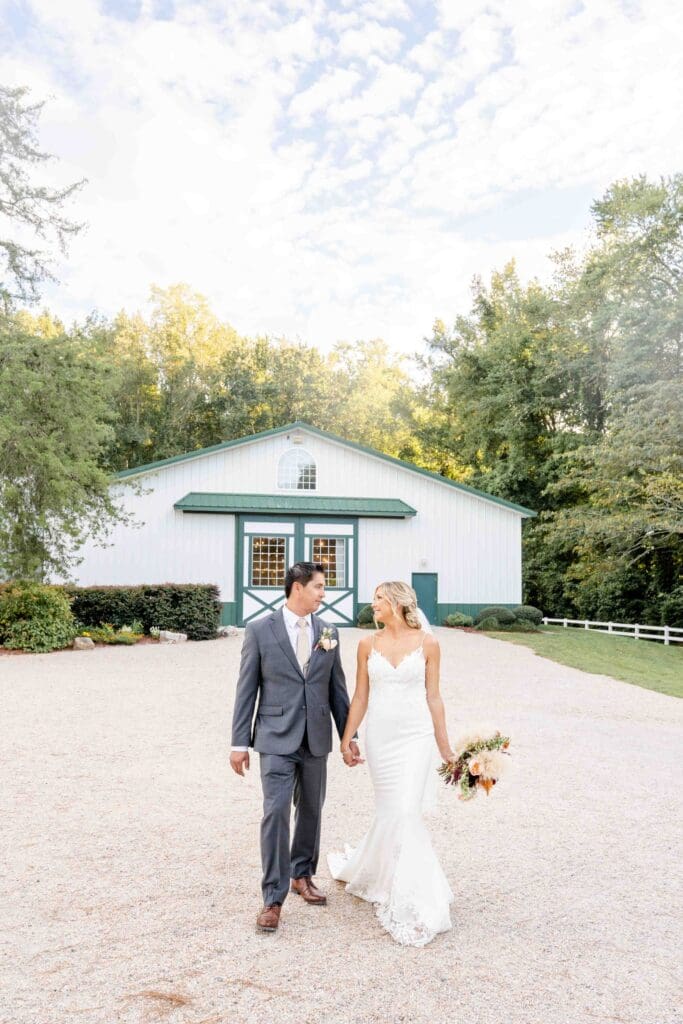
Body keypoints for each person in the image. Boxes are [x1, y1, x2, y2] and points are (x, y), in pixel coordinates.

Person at [230, 562, 361, 933]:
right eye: (319, 587)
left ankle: (302, 875)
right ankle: (273, 897)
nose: (323, 594)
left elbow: (338, 691)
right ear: (297, 588)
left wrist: (349, 737)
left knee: (312, 811)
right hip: (274, 737)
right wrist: (239, 742)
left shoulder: (329, 631)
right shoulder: (259, 630)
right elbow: (246, 690)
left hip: (315, 737)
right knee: (275, 813)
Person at [328, 580, 455, 947]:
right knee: (389, 810)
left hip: (415, 738)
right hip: (381, 739)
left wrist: (445, 748)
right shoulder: (367, 644)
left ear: (398, 603)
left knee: (405, 811)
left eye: (379, 600)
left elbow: (434, 697)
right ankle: (381, 875)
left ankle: (415, 893)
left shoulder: (428, 643)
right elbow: (360, 696)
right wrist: (347, 738)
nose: (373, 606)